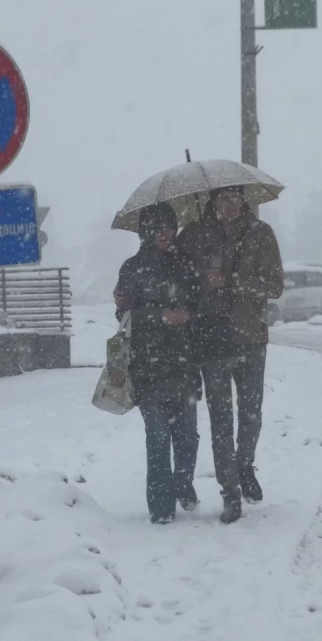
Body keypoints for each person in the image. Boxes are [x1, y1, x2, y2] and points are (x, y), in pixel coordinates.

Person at [179, 187, 284, 524]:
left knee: (251, 413)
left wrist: (233, 281)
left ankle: (244, 464)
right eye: (220, 199)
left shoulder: (260, 233)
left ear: (243, 200)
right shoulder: (194, 235)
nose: (226, 205)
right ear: (211, 202)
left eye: (233, 198)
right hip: (211, 339)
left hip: (250, 336)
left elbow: (274, 286)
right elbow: (178, 279)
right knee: (221, 420)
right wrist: (201, 283)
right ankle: (230, 491)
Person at [113, 202, 201, 524]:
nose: (167, 233)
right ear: (146, 231)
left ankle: (182, 483)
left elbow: (199, 304)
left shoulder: (186, 263)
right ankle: (161, 507)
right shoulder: (132, 268)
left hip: (184, 364)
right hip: (147, 366)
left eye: (171, 226)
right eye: (160, 228)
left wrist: (191, 315)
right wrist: (162, 316)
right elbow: (124, 317)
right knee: (159, 437)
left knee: (188, 436)